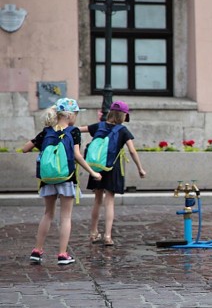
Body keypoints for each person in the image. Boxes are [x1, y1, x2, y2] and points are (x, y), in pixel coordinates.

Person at [22, 98, 102, 265]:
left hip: (48, 179)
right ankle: (62, 254)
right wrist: (93, 172)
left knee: (47, 214)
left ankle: (37, 250)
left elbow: (25, 148)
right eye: (76, 114)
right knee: (65, 217)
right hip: (66, 178)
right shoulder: (74, 132)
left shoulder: (46, 131)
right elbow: (78, 156)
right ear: (70, 114)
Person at [84, 101, 147, 247]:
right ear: (123, 115)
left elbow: (78, 129)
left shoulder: (98, 126)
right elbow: (132, 151)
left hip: (96, 167)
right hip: (112, 168)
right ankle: (107, 235)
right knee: (109, 201)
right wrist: (140, 168)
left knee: (97, 200)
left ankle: (93, 233)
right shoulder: (122, 130)